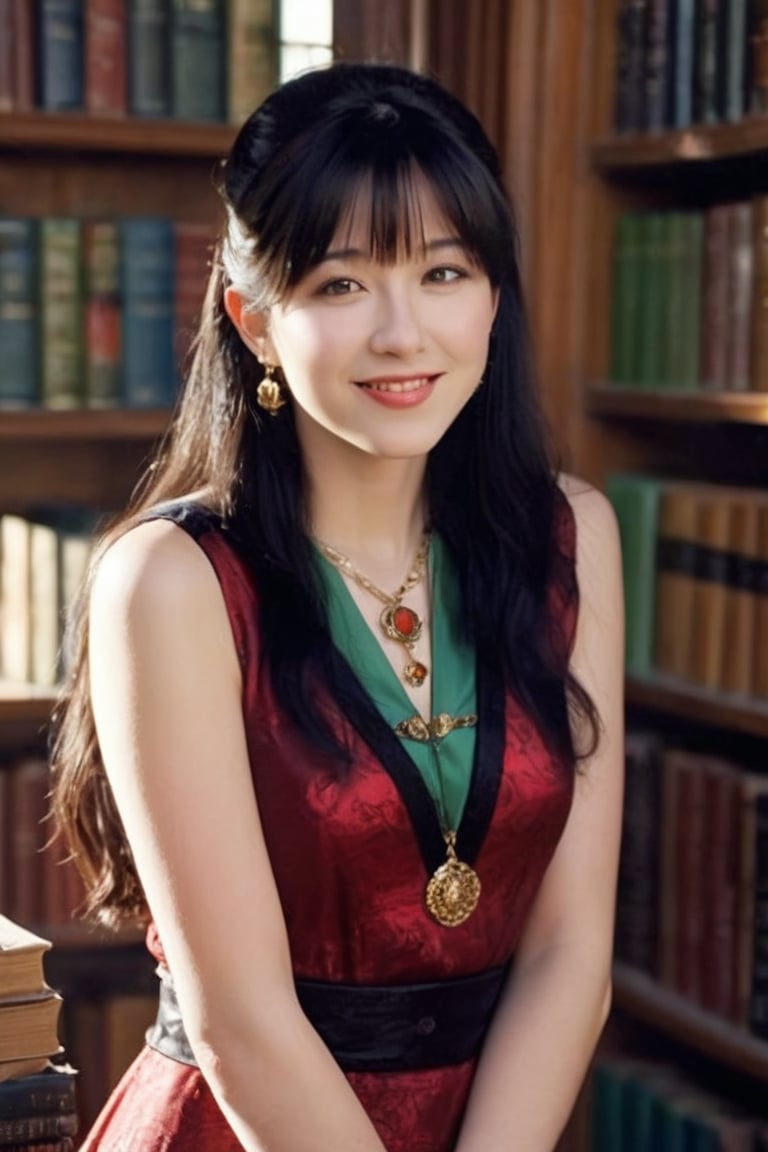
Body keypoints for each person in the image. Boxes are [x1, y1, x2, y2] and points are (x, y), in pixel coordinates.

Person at [50, 60, 624, 1152]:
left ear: (496, 295)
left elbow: (568, 956)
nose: (403, 334)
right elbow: (241, 1024)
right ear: (255, 321)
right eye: (342, 285)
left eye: (445, 273)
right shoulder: (171, 583)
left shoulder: (570, 537)